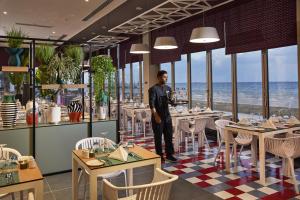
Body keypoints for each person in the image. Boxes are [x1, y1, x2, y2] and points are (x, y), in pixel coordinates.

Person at [148, 70, 177, 162]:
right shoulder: (153, 89)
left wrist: (174, 102)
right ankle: (159, 156)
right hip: (158, 116)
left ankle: (169, 155)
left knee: (168, 136)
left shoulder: (168, 88)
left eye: (166, 77)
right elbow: (151, 104)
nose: (166, 78)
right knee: (158, 137)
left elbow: (171, 101)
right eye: (164, 77)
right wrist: (156, 116)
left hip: (167, 116)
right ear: (159, 77)